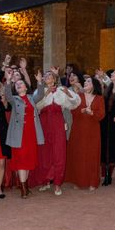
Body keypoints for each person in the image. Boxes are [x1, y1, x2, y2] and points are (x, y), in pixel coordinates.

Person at [31, 68, 81, 196]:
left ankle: (57, 184)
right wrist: (45, 93)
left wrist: (69, 94)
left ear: (54, 79)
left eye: (50, 75)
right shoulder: (39, 91)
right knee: (45, 153)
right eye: (45, 75)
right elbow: (35, 106)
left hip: (58, 123)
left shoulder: (61, 90)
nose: (47, 76)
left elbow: (75, 103)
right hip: (44, 124)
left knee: (59, 153)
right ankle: (46, 181)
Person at [4, 71, 45, 198]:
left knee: (28, 161)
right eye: (16, 84)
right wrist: (8, 81)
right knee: (21, 161)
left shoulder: (32, 98)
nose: (18, 85)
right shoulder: (14, 99)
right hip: (19, 135)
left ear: (26, 87)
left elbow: (41, 94)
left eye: (21, 83)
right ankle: (23, 189)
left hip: (31, 133)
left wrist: (39, 82)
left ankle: (25, 186)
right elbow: (7, 94)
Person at [65, 77, 105, 190]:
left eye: (88, 82)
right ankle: (78, 181)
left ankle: (92, 182)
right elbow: (72, 110)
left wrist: (92, 112)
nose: (85, 83)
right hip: (78, 129)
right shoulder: (79, 96)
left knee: (92, 155)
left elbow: (101, 114)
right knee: (78, 154)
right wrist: (80, 111)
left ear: (94, 85)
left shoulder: (99, 98)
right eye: (85, 82)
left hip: (93, 130)